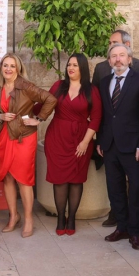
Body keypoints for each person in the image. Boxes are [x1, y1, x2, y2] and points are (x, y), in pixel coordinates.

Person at [0, 53, 56, 238]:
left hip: (22, 137)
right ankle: (14, 216)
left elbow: (50, 99)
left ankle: (28, 218)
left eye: (12, 65)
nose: (8, 69)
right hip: (3, 136)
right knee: (8, 178)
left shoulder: (25, 86)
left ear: (18, 68)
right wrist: (0, 116)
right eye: (5, 65)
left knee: (24, 179)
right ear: (1, 68)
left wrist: (39, 119)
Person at [98, 44, 139, 250]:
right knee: (115, 190)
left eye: (122, 56)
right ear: (109, 61)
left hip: (134, 148)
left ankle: (135, 232)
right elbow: (104, 116)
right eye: (114, 56)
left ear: (130, 59)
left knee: (137, 190)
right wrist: (101, 142)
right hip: (110, 146)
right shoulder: (104, 83)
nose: (118, 60)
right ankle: (121, 227)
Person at [44, 53, 102, 236]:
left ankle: (72, 219)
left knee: (76, 180)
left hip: (80, 140)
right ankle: (61, 218)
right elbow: (43, 106)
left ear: (82, 68)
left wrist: (85, 142)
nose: (71, 68)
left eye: (75, 65)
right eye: (69, 64)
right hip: (56, 138)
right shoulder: (58, 86)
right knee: (59, 180)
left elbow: (97, 118)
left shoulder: (91, 90)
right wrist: (28, 110)